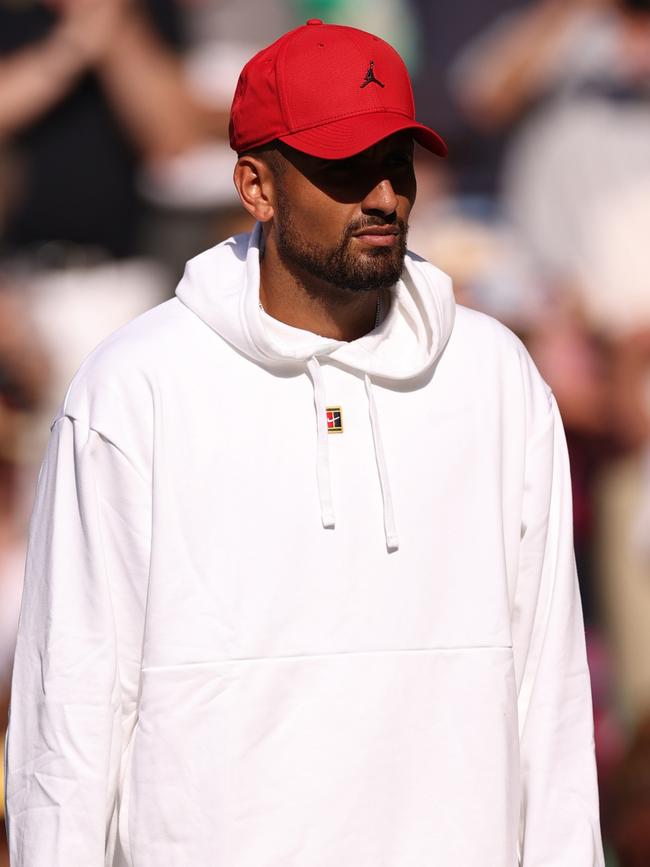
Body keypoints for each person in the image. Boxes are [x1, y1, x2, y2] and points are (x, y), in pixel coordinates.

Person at [5, 20, 604, 866]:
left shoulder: (495, 380)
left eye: (395, 164)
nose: (385, 196)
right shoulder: (135, 388)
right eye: (345, 168)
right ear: (256, 185)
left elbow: (551, 696)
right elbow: (67, 712)